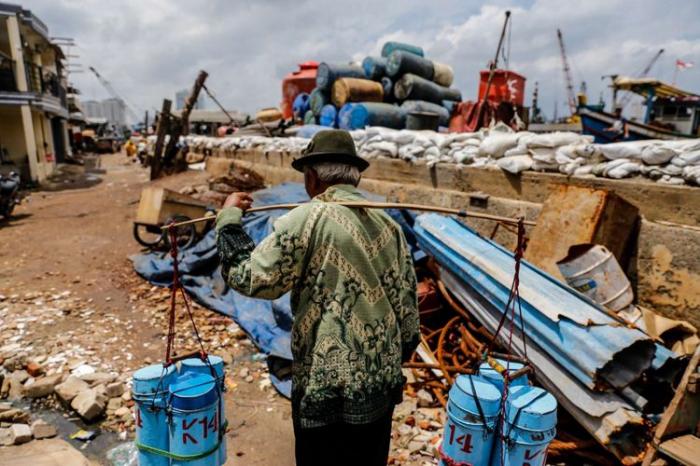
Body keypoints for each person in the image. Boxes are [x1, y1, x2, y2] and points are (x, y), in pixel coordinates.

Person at [216, 129, 420, 466]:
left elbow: (250, 278)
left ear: (311, 178)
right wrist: (392, 359)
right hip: (379, 388)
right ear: (355, 176)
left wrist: (228, 221)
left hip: (325, 386)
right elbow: (408, 314)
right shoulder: (390, 227)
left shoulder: (304, 221)